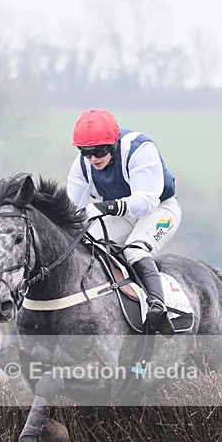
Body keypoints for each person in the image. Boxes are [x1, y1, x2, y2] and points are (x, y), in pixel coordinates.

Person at [66, 108, 181, 336]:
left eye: (99, 150)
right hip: (123, 215)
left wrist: (105, 207)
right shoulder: (81, 165)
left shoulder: (139, 149)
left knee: (135, 250)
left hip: (159, 209)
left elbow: (146, 201)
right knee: (86, 245)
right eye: (85, 152)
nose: (93, 159)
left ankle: (158, 307)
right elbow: (71, 211)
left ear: (113, 143)